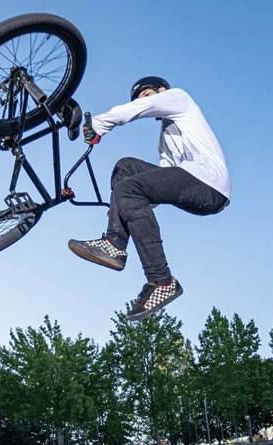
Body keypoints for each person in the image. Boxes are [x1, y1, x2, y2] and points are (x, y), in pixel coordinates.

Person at [68, 76, 230, 320]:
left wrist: (100, 123)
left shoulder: (179, 98)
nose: (145, 101)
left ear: (161, 90)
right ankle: (115, 243)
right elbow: (160, 183)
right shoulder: (166, 139)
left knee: (128, 190)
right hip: (192, 182)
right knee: (125, 168)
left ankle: (161, 280)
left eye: (146, 94)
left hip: (209, 184)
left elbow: (142, 108)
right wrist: (122, 210)